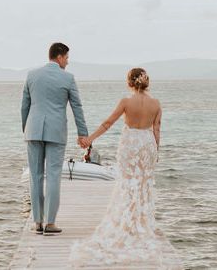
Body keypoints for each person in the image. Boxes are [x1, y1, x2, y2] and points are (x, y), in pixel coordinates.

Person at [69, 68, 182, 269]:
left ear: (130, 82)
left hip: (130, 145)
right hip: (147, 145)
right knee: (143, 186)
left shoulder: (126, 102)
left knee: (127, 184)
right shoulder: (156, 103)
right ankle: (140, 224)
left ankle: (128, 225)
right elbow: (157, 129)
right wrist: (156, 152)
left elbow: (108, 123)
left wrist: (88, 140)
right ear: (146, 82)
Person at [21, 42, 89, 235]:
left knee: (35, 177)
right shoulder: (67, 78)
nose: (67, 62)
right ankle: (50, 223)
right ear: (59, 56)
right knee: (53, 176)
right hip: (56, 132)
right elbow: (77, 107)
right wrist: (82, 133)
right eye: (67, 58)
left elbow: (24, 106)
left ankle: (37, 222)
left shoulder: (32, 75)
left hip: (33, 131)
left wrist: (26, 128)